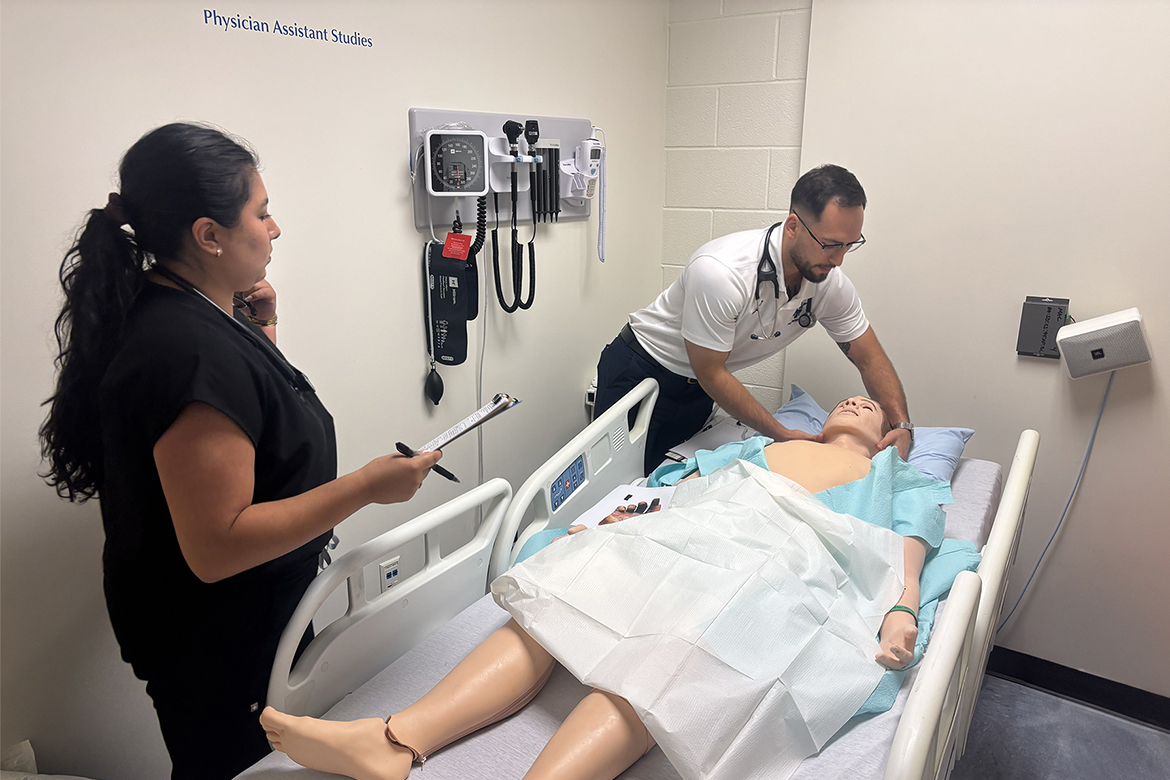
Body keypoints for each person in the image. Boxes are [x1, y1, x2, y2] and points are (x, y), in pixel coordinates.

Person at [38, 123, 443, 780]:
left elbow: (247, 427)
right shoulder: (185, 349)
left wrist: (260, 331)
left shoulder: (194, 308)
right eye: (261, 212)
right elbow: (218, 545)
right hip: (217, 638)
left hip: (248, 614)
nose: (275, 228)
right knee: (238, 768)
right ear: (209, 234)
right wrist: (368, 487)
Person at [258, 396, 929, 780]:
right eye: (848, 395)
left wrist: (901, 608)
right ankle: (395, 740)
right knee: (559, 603)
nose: (855, 400)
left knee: (666, 665)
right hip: (699, 530)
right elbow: (675, 489)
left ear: (890, 439)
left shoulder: (902, 481)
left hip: (788, 560)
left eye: (869, 407)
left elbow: (907, 549)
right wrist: (603, 527)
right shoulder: (753, 448)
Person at [594, 164, 914, 473]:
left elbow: (869, 357)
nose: (839, 259)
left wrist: (901, 425)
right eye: (830, 245)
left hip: (698, 389)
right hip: (642, 372)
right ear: (793, 227)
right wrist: (779, 432)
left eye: (850, 245)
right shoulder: (721, 271)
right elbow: (712, 372)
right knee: (612, 490)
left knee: (665, 482)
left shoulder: (829, 283)